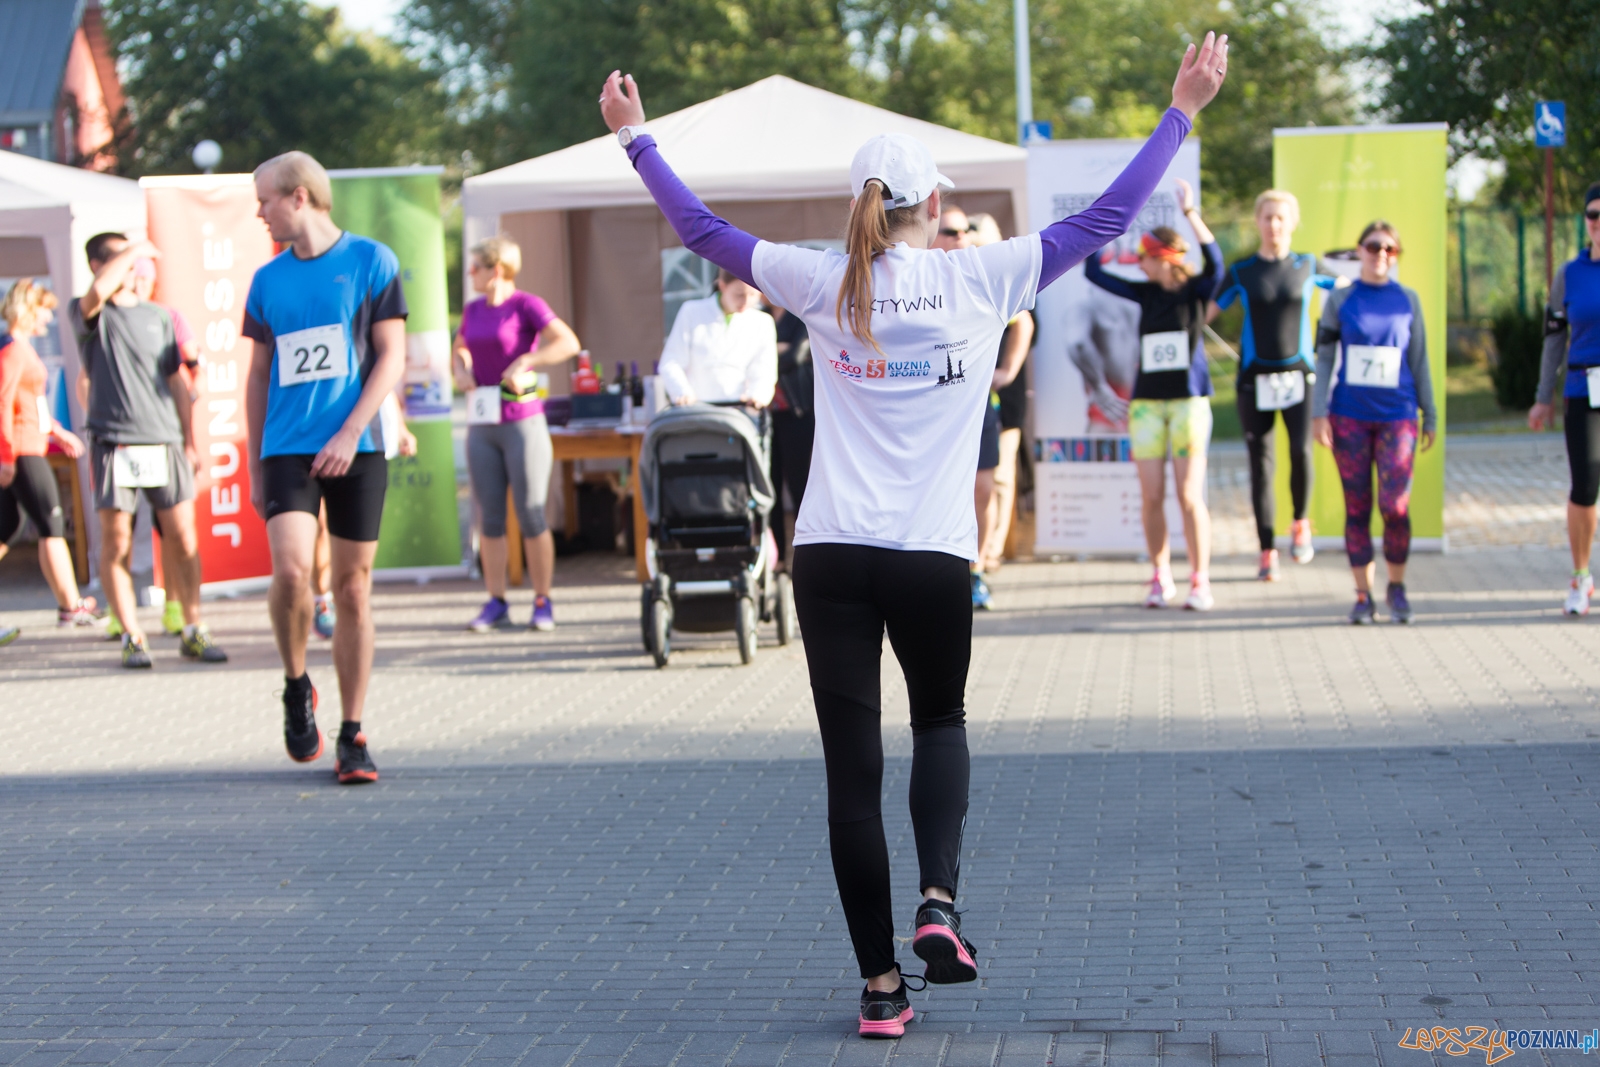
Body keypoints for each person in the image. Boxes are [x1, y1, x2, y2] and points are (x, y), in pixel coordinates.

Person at [598, 31, 1226, 1037]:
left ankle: (880, 986)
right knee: (940, 723)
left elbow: (705, 233)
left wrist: (637, 139)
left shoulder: (817, 278)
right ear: (933, 206)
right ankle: (940, 902)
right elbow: (1109, 216)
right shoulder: (983, 276)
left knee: (852, 775)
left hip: (833, 556)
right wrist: (1182, 108)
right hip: (933, 554)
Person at [242, 150, 408, 784]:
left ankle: (352, 732)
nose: (259, 212)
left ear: (299, 197)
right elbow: (258, 376)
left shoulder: (371, 261)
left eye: (265, 200)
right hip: (287, 448)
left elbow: (390, 358)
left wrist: (350, 430)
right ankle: (294, 684)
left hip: (357, 447)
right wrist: (258, 464)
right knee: (289, 574)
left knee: (353, 590)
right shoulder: (268, 280)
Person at [71, 233, 227, 668]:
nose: (135, 266)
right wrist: (136, 249)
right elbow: (101, 290)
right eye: (122, 257)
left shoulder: (159, 317)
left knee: (182, 537)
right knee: (117, 541)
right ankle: (132, 635)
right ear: (101, 264)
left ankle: (193, 628)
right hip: (114, 443)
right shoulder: (90, 313)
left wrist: (190, 441)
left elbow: (176, 381)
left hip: (165, 442)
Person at [1085, 180, 1223, 611]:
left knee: (1187, 495)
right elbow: (1093, 272)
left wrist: (1192, 213)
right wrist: (1101, 227)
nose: (1138, 263)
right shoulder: (1143, 292)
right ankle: (1160, 575)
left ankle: (1200, 580)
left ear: (1161, 257)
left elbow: (1217, 264)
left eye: (1143, 257)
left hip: (1188, 402)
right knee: (1150, 495)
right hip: (1147, 405)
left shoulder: (1195, 291)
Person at [452, 235, 581, 632]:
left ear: (497, 270)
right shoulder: (473, 310)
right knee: (488, 517)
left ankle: (542, 600)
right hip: (482, 422)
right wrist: (460, 368)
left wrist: (530, 357)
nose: (469, 273)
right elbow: (459, 347)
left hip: (522, 420)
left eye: (475, 267)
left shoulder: (526, 305)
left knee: (530, 513)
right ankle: (496, 601)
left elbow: (568, 343)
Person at [1312, 220, 1436, 624]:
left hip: (1398, 415)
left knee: (1394, 506)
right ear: (1359, 250)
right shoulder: (1341, 299)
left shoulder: (1408, 300)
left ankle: (1396, 587)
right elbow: (1326, 357)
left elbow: (1419, 360)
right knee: (1358, 506)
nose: (1380, 254)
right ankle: (1362, 595)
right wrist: (1318, 413)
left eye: (1389, 249)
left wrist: (1429, 413)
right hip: (1349, 415)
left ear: (1396, 255)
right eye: (1373, 247)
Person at [1214, 190, 1334, 580]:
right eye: (1267, 217)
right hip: (1254, 379)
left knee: (1300, 451)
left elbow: (1348, 288)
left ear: (1293, 223)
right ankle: (1266, 550)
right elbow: (1205, 310)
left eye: (1281, 218)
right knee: (1260, 467)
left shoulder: (1307, 265)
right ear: (1257, 222)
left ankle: (1300, 522)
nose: (1274, 225)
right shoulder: (1243, 271)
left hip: (1299, 375)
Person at [0, 279, 98, 627]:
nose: (48, 318)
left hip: (30, 443)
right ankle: (71, 604)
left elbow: (32, 405)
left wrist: (57, 432)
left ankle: (69, 603)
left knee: (8, 526)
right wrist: (6, 456)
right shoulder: (12, 351)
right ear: (28, 309)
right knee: (51, 523)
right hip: (22, 449)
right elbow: (3, 404)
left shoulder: (24, 349)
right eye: (44, 310)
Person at [1531, 182, 1600, 615]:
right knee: (1585, 485)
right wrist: (1543, 396)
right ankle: (1580, 576)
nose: (1599, 222)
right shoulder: (1569, 274)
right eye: (1593, 214)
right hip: (1583, 389)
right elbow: (1554, 340)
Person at [131, 254, 202, 638]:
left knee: (176, 528)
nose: (139, 284)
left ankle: (178, 607)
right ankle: (122, 610)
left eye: (144, 278)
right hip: (125, 436)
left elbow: (190, 366)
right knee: (127, 526)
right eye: (134, 278)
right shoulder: (107, 318)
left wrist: (197, 381)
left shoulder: (167, 318)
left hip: (168, 432)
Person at [966, 213, 1034, 608]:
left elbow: (1022, 321)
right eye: (954, 233)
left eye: (968, 234)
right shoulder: (931, 269)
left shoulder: (987, 277)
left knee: (989, 486)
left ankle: (980, 566)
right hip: (937, 404)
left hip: (988, 403)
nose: (962, 240)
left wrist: (1005, 371)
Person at [658, 268, 777, 408]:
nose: (745, 301)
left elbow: (765, 369)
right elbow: (671, 361)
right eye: (739, 294)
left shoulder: (762, 321)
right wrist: (683, 392)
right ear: (722, 286)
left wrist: (758, 395)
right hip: (696, 409)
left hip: (741, 409)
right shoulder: (691, 311)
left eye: (752, 294)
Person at [767, 302, 814, 566]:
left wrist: (764, 352)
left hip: (797, 412)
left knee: (800, 486)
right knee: (769, 487)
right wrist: (778, 349)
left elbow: (795, 356)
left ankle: (803, 557)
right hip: (764, 415)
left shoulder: (799, 316)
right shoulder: (756, 316)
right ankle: (777, 560)